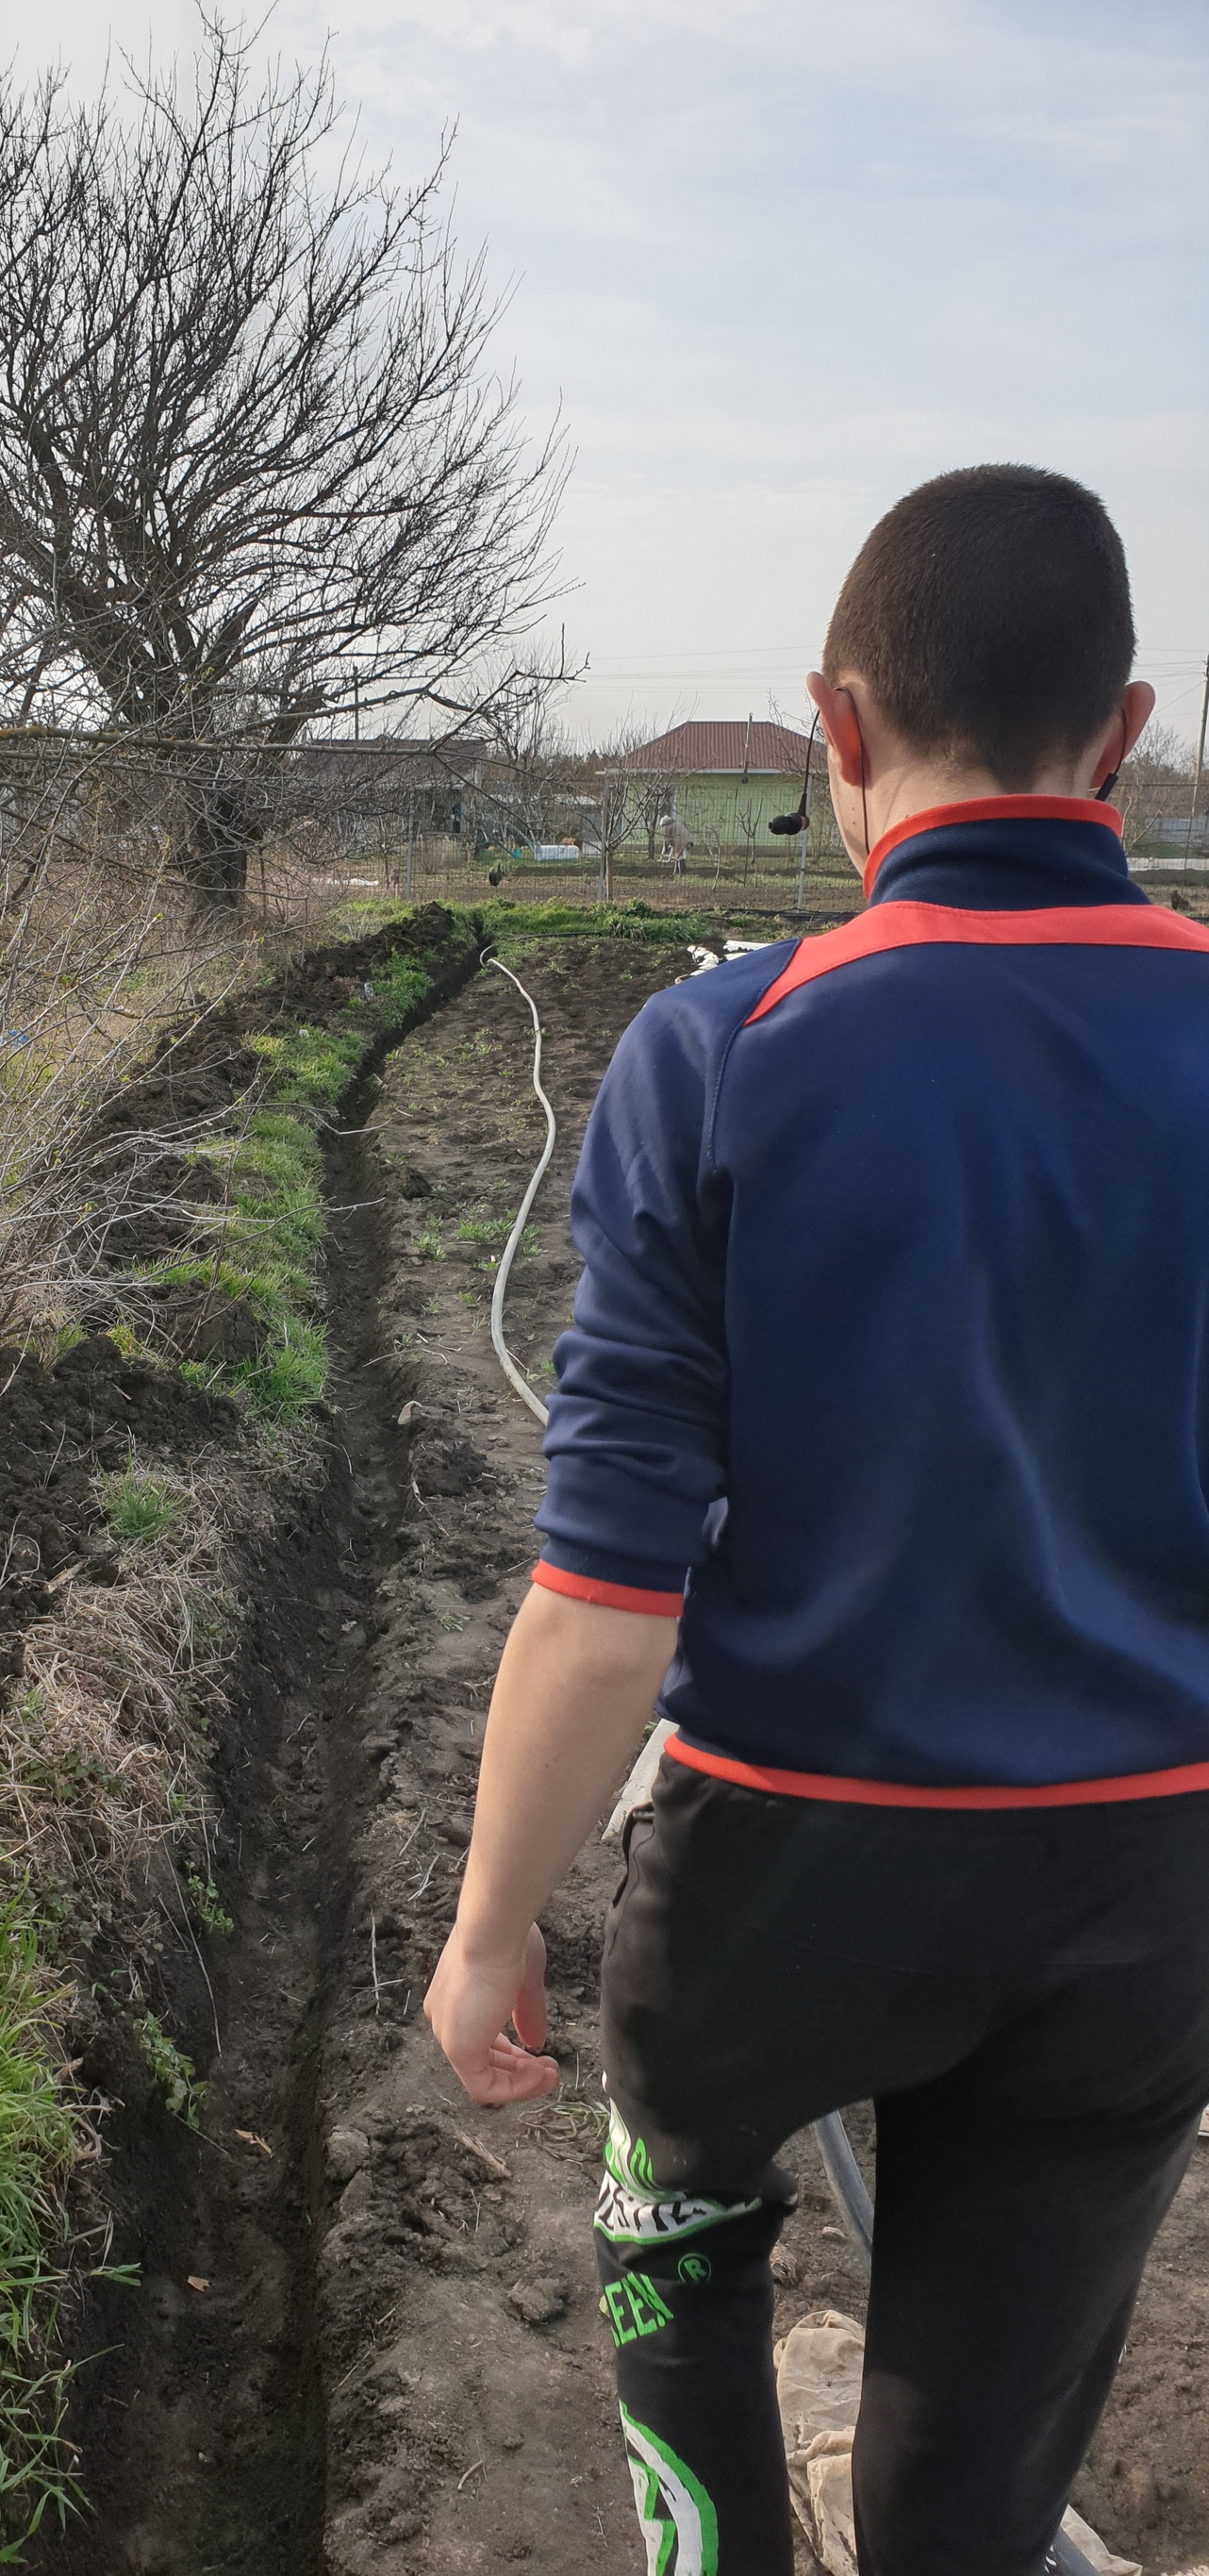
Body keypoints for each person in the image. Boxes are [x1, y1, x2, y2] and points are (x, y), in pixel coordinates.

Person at [422, 464, 1209, 2576]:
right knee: (976, 2471)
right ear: (1120, 737)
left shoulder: (721, 1048)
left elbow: (605, 1594)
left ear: (835, 735)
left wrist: (495, 1922)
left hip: (792, 1860)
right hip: (1149, 1878)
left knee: (679, 2222)